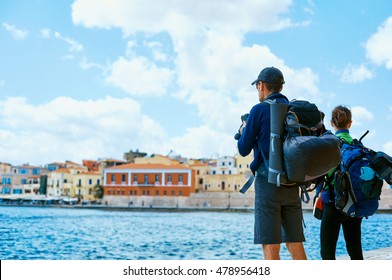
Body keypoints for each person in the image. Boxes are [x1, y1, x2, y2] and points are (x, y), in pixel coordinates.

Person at [237, 67, 307, 260]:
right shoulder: (295, 110)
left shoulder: (258, 110)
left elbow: (243, 149)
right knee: (295, 243)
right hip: (292, 183)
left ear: (261, 86)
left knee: (270, 246)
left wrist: (244, 130)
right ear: (281, 86)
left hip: (268, 185)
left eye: (257, 86)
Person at [319, 105, 364, 260]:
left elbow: (322, 173)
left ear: (332, 123)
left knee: (327, 252)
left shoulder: (329, 144)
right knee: (355, 251)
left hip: (333, 202)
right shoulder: (358, 146)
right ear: (350, 124)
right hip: (354, 202)